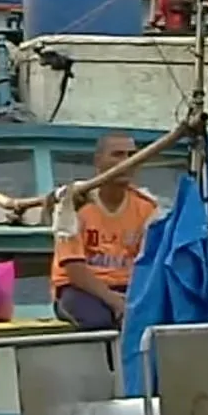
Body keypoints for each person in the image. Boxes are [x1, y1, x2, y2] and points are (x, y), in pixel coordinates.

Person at [50, 132, 159, 329]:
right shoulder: (73, 202)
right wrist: (114, 300)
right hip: (79, 289)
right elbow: (75, 271)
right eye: (117, 155)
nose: (126, 162)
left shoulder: (147, 208)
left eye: (131, 155)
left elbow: (151, 264)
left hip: (129, 287)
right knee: (99, 320)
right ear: (98, 161)